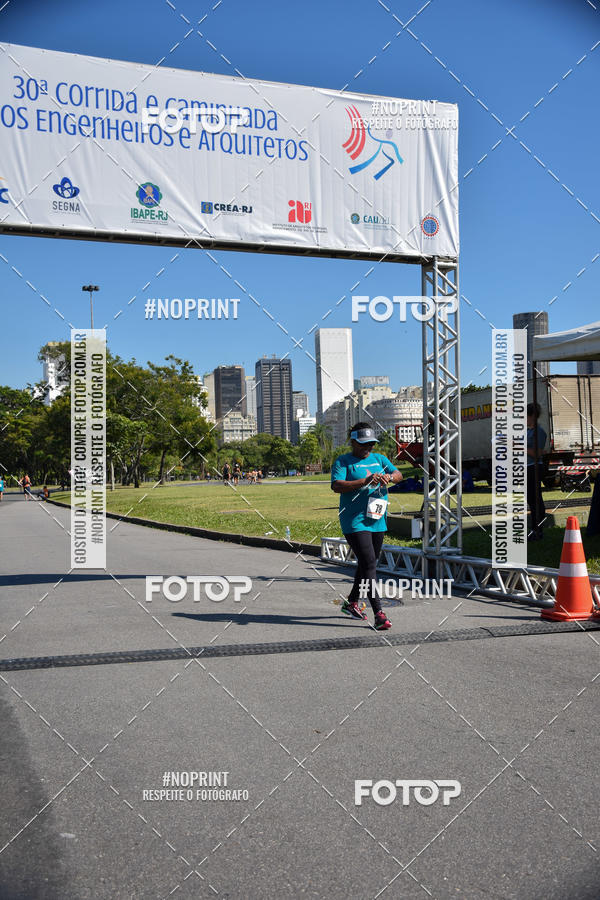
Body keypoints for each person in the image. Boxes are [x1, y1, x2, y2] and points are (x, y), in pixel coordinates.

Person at [331, 423, 403, 630]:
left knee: (366, 564)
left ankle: (351, 603)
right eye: (363, 444)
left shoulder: (380, 459)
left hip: (377, 518)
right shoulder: (343, 461)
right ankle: (379, 614)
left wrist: (389, 477)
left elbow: (399, 475)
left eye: (371, 444)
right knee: (370, 563)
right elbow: (336, 485)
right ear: (352, 442)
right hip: (354, 521)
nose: (367, 448)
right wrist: (366, 480)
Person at [526, 402, 547, 541]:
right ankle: (534, 528)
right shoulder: (528, 431)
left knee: (535, 500)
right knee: (531, 499)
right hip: (526, 467)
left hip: (534, 467)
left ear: (533, 416)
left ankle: (538, 529)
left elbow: (537, 453)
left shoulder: (539, 432)